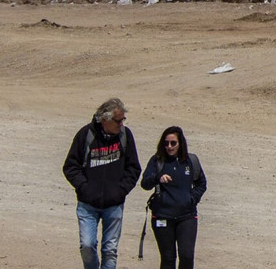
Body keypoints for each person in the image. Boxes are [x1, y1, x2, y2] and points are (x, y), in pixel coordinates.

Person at [62, 97, 141, 269]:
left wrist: (120, 191)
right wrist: (84, 187)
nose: (121, 124)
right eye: (118, 120)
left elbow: (134, 168)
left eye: (123, 120)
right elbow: (70, 166)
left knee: (110, 250)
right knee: (87, 245)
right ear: (105, 119)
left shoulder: (125, 136)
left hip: (114, 204)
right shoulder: (86, 135)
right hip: (87, 205)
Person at [140, 126, 207, 269]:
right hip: (163, 216)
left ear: (180, 143)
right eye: (166, 143)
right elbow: (145, 183)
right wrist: (158, 177)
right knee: (168, 258)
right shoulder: (157, 161)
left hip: (187, 216)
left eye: (173, 143)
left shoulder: (191, 161)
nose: (169, 147)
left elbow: (202, 184)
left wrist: (192, 199)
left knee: (187, 256)